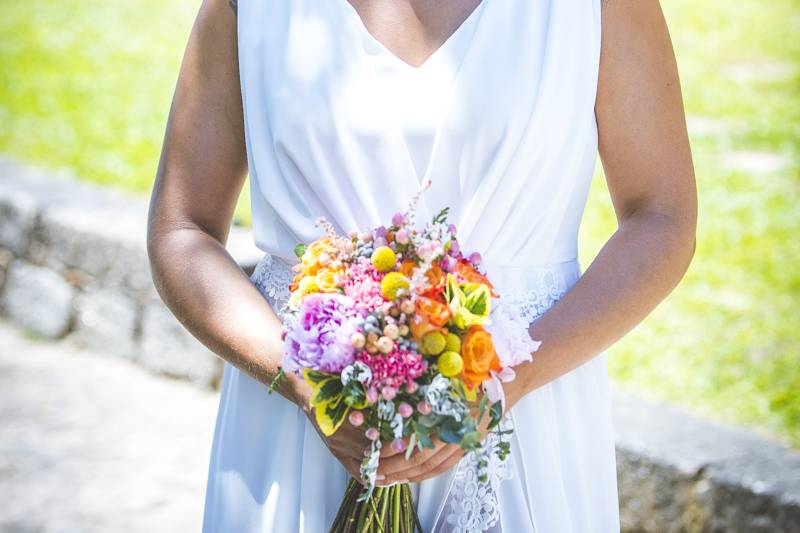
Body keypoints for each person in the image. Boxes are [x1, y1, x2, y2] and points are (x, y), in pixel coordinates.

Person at [146, 0, 697, 531]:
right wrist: (303, 380)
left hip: (526, 426)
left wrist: (513, 377)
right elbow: (182, 230)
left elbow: (661, 218)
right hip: (302, 433)